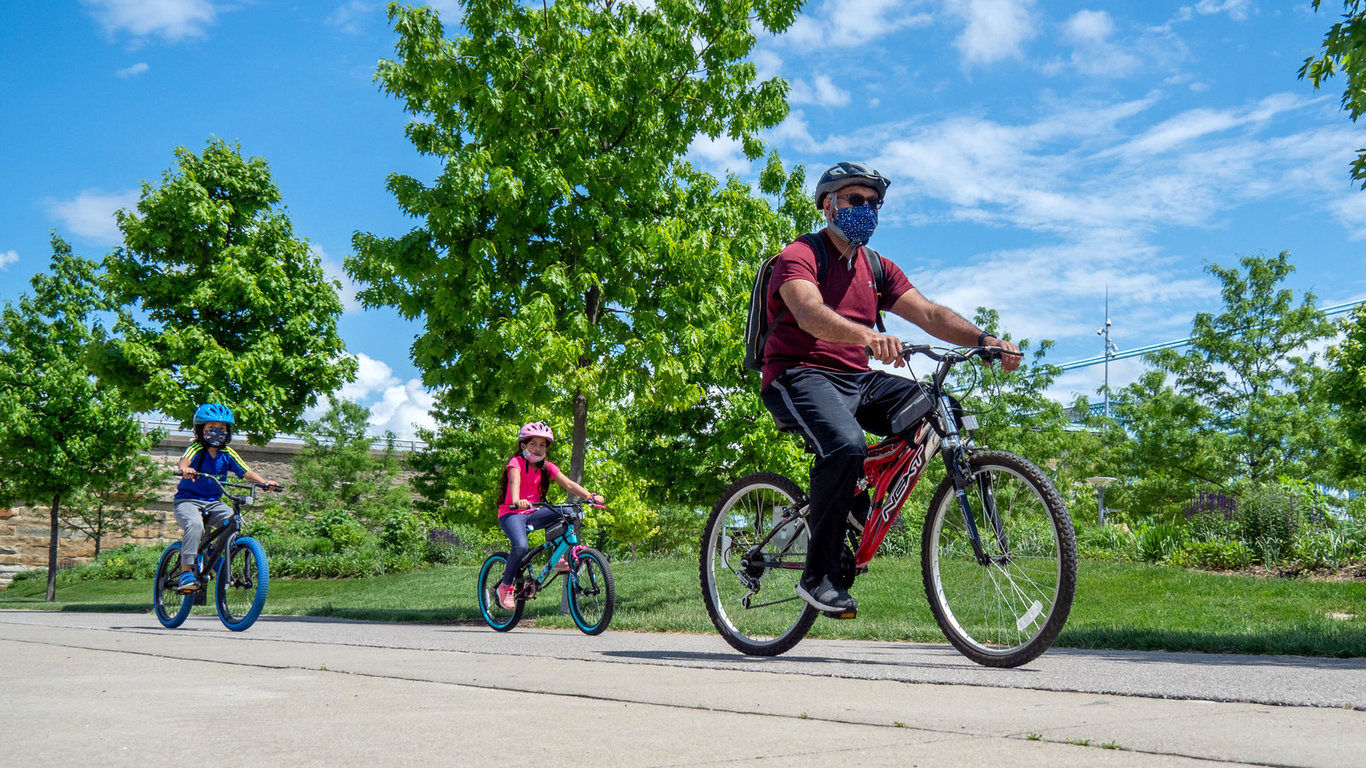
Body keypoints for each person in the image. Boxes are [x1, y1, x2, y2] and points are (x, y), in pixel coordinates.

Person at [759, 161, 1021, 615]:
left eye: (874, 203)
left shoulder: (877, 268)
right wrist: (868, 337)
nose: (867, 210)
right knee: (844, 444)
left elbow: (931, 313)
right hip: (797, 374)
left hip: (856, 380)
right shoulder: (800, 255)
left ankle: (858, 501)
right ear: (829, 205)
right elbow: (808, 311)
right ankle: (817, 577)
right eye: (856, 200)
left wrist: (985, 340)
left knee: (941, 410)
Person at [495, 422, 605, 609]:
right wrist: (517, 499)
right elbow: (515, 482)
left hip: (534, 512)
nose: (538, 449)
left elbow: (569, 484)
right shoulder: (516, 462)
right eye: (533, 444)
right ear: (523, 446)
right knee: (521, 546)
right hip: (512, 513)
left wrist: (589, 496)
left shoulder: (546, 467)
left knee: (568, 512)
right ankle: (505, 587)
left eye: (542, 445)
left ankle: (558, 557)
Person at [173, 403, 280, 593]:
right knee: (195, 525)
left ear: (228, 432)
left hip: (213, 503)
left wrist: (264, 483)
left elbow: (246, 472)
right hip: (187, 501)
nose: (217, 432)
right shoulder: (196, 448)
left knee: (234, 520)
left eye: (222, 429)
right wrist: (185, 470)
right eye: (211, 428)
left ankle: (213, 553)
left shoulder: (227, 453)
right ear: (200, 430)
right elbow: (185, 460)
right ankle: (186, 572)